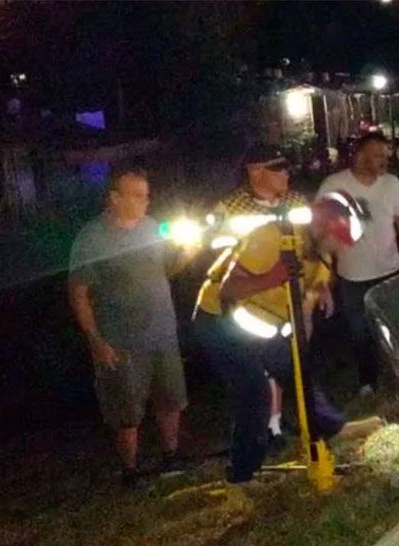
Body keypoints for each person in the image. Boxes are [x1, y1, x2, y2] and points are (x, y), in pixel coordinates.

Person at [193, 192, 356, 484]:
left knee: (298, 373)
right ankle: (242, 475)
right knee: (256, 392)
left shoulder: (321, 257)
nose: (342, 250)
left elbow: (309, 295)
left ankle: (330, 428)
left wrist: (319, 294)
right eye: (339, 240)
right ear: (324, 224)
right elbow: (228, 290)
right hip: (219, 322)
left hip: (261, 327)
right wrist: (274, 276)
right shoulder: (271, 238)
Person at [68, 167, 197, 485]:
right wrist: (95, 339)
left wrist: (188, 253)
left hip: (162, 332)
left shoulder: (152, 228)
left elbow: (168, 269)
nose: (145, 201)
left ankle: (171, 456)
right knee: (126, 410)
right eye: (137, 195)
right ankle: (130, 469)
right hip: (121, 338)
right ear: (115, 198)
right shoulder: (93, 238)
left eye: (147, 195)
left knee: (170, 398)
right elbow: (79, 293)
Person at [210, 145, 334, 444]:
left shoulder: (295, 202)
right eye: (277, 168)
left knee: (295, 361)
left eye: (285, 167)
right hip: (254, 305)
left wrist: (322, 284)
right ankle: (269, 427)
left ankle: (298, 422)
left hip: (296, 300)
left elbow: (310, 248)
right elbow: (217, 257)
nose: (286, 173)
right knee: (265, 365)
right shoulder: (228, 208)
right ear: (255, 172)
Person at [317, 131, 399, 396]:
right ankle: (368, 379)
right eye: (378, 155)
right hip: (353, 276)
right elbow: (317, 228)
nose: (384, 161)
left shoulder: (392, 184)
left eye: (386, 156)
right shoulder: (334, 185)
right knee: (360, 332)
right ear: (360, 155)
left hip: (391, 270)